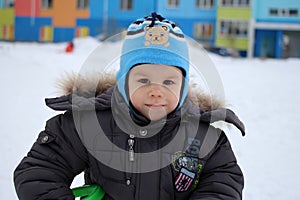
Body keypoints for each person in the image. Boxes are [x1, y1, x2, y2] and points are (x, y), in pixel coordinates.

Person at [14, 13, 245, 200]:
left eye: (169, 82)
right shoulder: (88, 124)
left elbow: (223, 183)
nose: (156, 90)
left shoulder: (205, 138)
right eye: (143, 80)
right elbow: (40, 172)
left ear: (183, 87)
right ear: (124, 82)